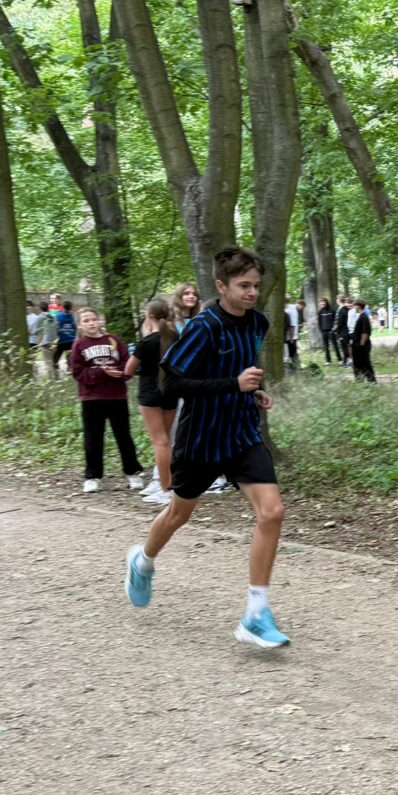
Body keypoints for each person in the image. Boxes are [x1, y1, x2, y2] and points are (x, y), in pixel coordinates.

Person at [123, 247, 290, 649]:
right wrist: (232, 384)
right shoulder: (204, 326)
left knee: (272, 512)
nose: (252, 292)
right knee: (178, 514)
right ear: (221, 286)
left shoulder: (258, 322)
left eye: (256, 285)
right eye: (243, 285)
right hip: (201, 439)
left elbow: (244, 368)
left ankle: (256, 613)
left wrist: (255, 391)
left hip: (242, 435)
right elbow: (171, 384)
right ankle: (142, 561)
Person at [70, 307, 145, 495]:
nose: (91, 323)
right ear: (79, 325)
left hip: (116, 395)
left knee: (123, 435)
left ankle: (132, 472)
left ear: (99, 321)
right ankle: (93, 476)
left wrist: (119, 373)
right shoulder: (79, 345)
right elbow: (78, 372)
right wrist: (101, 372)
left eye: (93, 319)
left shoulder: (113, 340)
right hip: (92, 397)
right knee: (93, 437)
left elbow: (127, 364)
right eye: (86, 320)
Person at [124, 299, 179, 507]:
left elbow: (128, 370)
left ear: (148, 316)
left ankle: (166, 490)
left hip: (150, 394)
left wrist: (141, 370)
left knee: (160, 442)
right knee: (167, 442)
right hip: (171, 392)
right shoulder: (176, 338)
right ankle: (167, 485)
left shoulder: (146, 342)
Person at [351, 298, 376, 382]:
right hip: (358, 345)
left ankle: (371, 380)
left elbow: (365, 333)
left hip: (361, 346)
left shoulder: (364, 317)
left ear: (358, 306)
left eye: (354, 306)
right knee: (358, 363)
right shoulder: (361, 316)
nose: (353, 308)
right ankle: (359, 380)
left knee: (364, 363)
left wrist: (361, 345)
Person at [33, 301, 59, 378]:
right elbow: (57, 328)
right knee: (54, 360)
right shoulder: (53, 317)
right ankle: (57, 377)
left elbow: (36, 331)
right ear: (48, 308)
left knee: (48, 362)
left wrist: (39, 339)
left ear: (40, 308)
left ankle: (51, 379)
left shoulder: (39, 318)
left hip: (45, 343)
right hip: (54, 342)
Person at [54, 300, 77, 372]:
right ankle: (70, 371)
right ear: (71, 307)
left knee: (55, 359)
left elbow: (55, 327)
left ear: (63, 307)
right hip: (71, 341)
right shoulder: (74, 316)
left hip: (61, 340)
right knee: (70, 359)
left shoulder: (58, 315)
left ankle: (56, 372)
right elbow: (75, 327)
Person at [317, 297, 339, 364]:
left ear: (326, 302)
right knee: (326, 347)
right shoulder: (320, 312)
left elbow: (336, 321)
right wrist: (321, 330)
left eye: (323, 302)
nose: (322, 303)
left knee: (335, 345)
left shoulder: (332, 310)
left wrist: (334, 330)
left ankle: (340, 359)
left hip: (331, 331)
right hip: (324, 332)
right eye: (321, 302)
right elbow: (319, 322)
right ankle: (328, 361)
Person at [334, 294, 351, 367]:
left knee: (344, 346)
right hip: (347, 330)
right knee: (346, 346)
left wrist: (336, 330)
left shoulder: (341, 310)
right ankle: (346, 361)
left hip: (343, 331)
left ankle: (346, 362)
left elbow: (340, 322)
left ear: (338, 300)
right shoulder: (347, 309)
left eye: (337, 299)